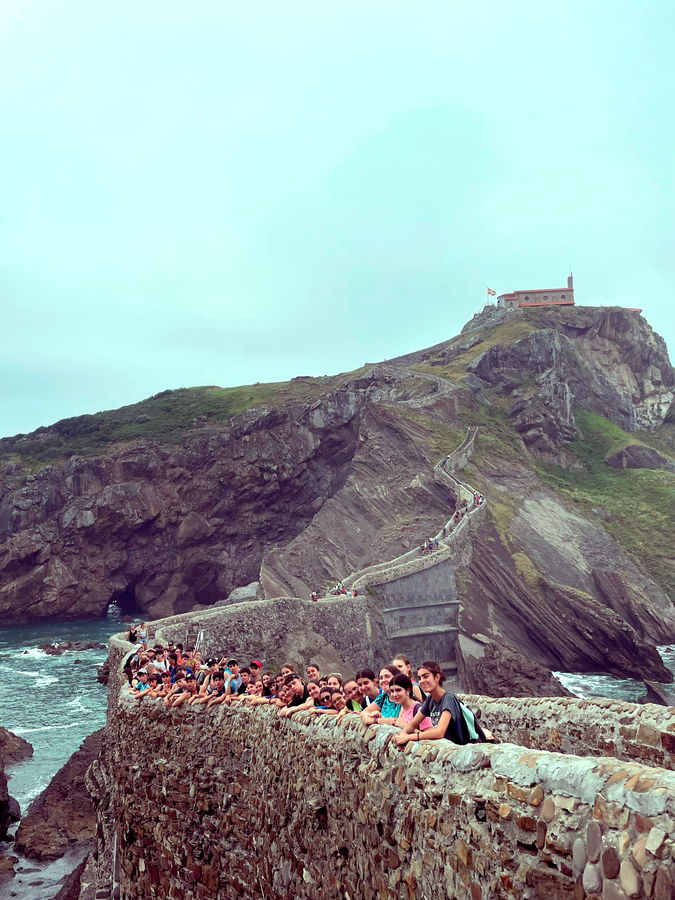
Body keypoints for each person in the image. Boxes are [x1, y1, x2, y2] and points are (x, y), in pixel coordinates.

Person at [393, 661, 482, 746]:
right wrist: (403, 733)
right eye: (419, 678)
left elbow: (439, 732)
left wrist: (408, 737)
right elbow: (412, 725)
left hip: (459, 749)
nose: (421, 681)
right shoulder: (430, 700)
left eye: (425, 676)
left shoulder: (449, 698)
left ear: (437, 677)